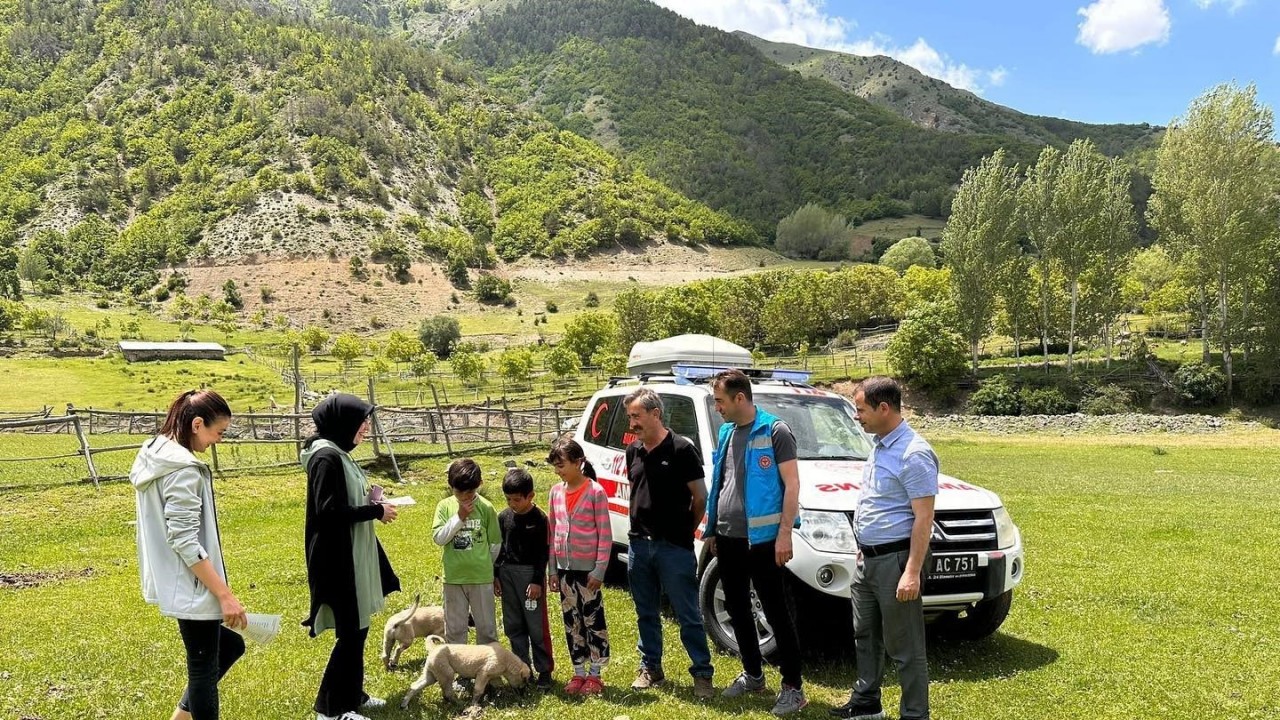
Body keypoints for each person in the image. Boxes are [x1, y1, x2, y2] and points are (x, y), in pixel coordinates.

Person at [132, 390, 245, 720]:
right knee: (203, 671)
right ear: (197, 424)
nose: (218, 441)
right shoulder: (182, 469)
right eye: (218, 432)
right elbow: (183, 539)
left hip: (178, 578)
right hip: (193, 582)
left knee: (229, 647)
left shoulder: (156, 452)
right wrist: (224, 595)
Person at [831, 376, 937, 720]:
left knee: (905, 648)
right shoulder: (880, 444)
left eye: (861, 410)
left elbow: (923, 519)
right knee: (865, 635)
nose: (856, 417)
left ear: (884, 408)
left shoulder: (914, 453)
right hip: (869, 559)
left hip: (897, 561)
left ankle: (915, 714)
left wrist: (911, 572)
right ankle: (866, 703)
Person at [704, 369, 807, 716]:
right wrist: (715, 530)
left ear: (740, 398)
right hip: (729, 537)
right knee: (736, 608)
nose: (717, 407)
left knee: (776, 611)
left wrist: (784, 534)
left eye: (720, 400)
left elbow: (791, 486)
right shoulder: (726, 432)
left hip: (763, 541)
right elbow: (722, 481)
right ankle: (753, 674)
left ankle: (793, 687)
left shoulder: (775, 430)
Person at [301, 393, 401, 720]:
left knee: (357, 628)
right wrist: (374, 510)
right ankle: (330, 710)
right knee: (351, 632)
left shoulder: (339, 453)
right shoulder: (326, 458)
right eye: (362, 422)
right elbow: (328, 511)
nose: (366, 429)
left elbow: (341, 498)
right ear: (343, 422)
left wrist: (369, 498)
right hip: (338, 559)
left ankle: (352, 694)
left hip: (351, 553)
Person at [621, 388, 715, 699]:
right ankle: (651, 668)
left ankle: (702, 674)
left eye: (636, 416)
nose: (632, 422)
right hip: (639, 545)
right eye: (630, 416)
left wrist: (684, 532)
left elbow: (700, 498)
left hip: (673, 546)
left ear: (655, 414)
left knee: (688, 613)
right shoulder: (633, 451)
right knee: (645, 611)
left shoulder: (681, 449)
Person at [546, 437, 612, 696]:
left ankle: (595, 674)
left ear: (578, 462)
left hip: (589, 573)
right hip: (564, 570)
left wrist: (599, 569)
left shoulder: (595, 492)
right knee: (571, 621)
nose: (558, 470)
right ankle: (578, 672)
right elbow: (552, 534)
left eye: (562, 465)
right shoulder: (555, 492)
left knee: (592, 620)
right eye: (555, 466)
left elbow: (605, 535)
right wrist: (553, 569)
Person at [494, 467, 555, 690]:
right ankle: (522, 668)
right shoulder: (503, 517)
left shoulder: (540, 519)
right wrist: (496, 575)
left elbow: (543, 553)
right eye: (508, 499)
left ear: (530, 496)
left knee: (536, 625)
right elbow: (498, 549)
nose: (512, 504)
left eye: (517, 499)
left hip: (530, 579)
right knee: (513, 624)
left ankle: (544, 670)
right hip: (507, 575)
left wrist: (537, 580)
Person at [432, 457, 502, 645]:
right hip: (454, 577)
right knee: (454, 628)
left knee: (486, 628)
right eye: (459, 491)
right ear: (450, 486)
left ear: (479, 485)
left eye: (469, 491)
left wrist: (484, 564)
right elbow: (439, 538)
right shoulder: (445, 506)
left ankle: (487, 670)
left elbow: (495, 545)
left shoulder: (486, 507)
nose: (464, 497)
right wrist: (459, 518)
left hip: (481, 577)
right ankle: (460, 669)